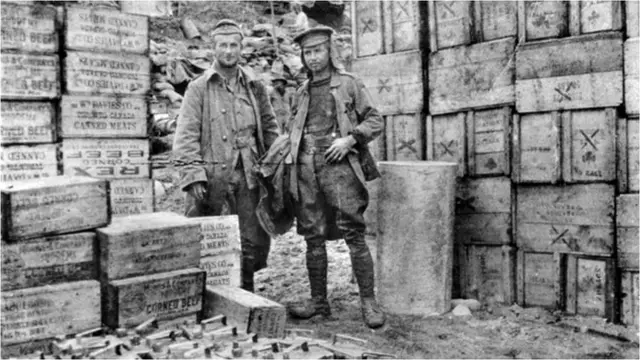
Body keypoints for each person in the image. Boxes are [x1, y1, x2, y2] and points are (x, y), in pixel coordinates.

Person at [287, 26, 386, 328]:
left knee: (354, 233)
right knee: (312, 237)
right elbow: (292, 130)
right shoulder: (301, 92)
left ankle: (368, 303)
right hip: (307, 168)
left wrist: (350, 140)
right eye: (307, 52)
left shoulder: (349, 84)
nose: (313, 57)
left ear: (330, 51)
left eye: (318, 50)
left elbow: (375, 119)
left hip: (340, 166)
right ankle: (319, 304)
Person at [173, 19, 280, 292]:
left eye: (234, 45)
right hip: (213, 176)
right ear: (213, 48)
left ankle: (246, 297)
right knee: (211, 239)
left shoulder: (255, 87)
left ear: (241, 48)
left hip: (250, 173)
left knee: (250, 237)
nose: (229, 51)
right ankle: (211, 297)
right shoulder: (199, 88)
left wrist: (277, 168)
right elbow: (185, 136)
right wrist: (193, 175)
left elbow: (269, 129)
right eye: (223, 45)